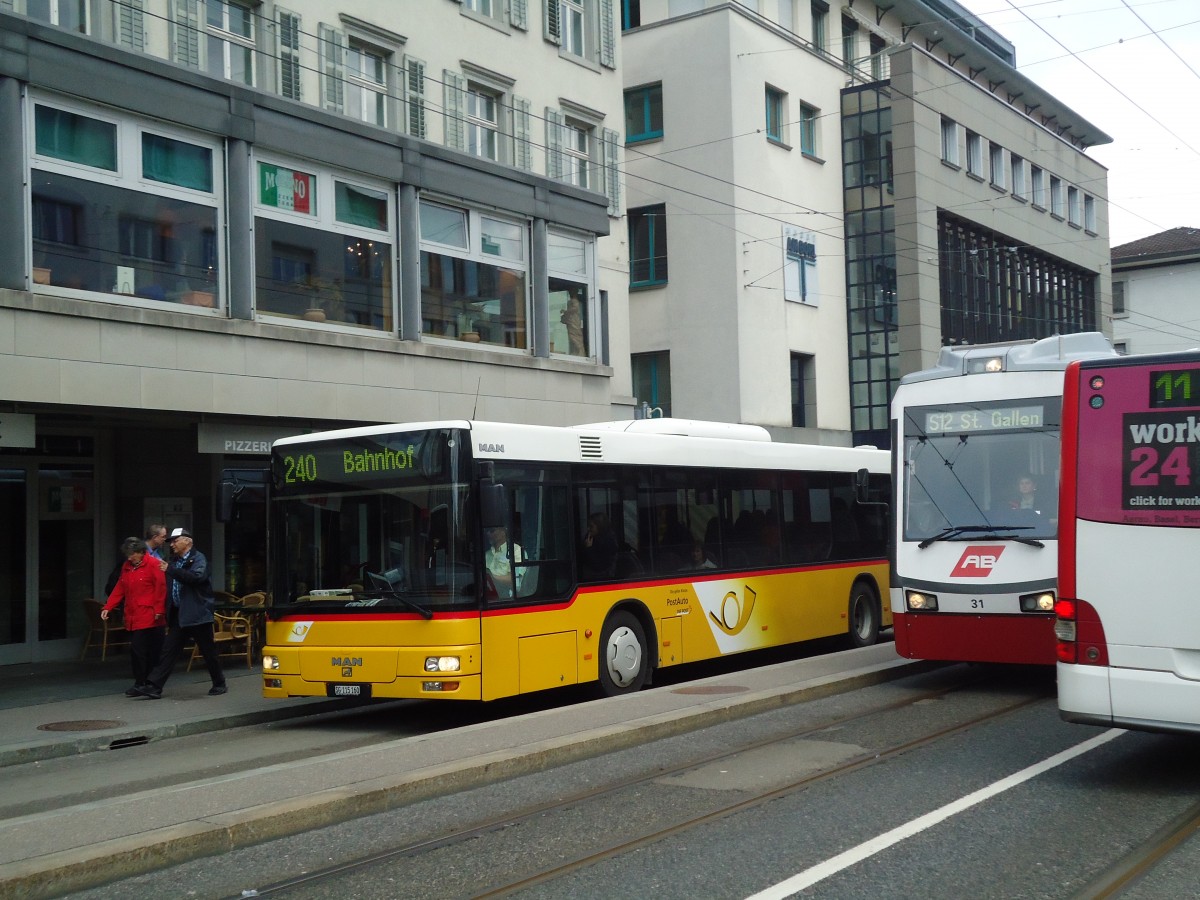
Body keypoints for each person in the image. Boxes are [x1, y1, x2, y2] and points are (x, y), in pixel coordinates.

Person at [134, 527, 226, 699]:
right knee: (168, 650)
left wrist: (170, 570)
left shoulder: (198, 559)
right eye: (171, 542)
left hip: (197, 613)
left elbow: (196, 578)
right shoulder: (175, 561)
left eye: (175, 541)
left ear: (187, 541)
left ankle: (219, 682)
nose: (172, 545)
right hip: (179, 613)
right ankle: (154, 686)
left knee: (208, 651)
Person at [102, 536, 167, 697]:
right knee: (138, 650)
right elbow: (120, 588)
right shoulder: (127, 566)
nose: (129, 558)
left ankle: (146, 682)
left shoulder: (153, 564)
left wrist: (159, 610)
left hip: (150, 615)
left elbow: (161, 588)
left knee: (146, 650)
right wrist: (108, 606)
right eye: (128, 555)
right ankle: (141, 682)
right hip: (134, 614)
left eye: (132, 554)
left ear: (140, 552)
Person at [484, 526, 523, 599]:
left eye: (492, 531)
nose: (488, 533)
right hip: (487, 595)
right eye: (487, 531)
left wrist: (491, 578)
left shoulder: (516, 551)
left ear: (503, 532)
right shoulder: (487, 554)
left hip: (506, 598)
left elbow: (514, 580)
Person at [579, 512, 617, 579]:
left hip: (601, 578)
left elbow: (599, 567)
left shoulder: (608, 542)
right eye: (588, 526)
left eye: (591, 526)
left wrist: (589, 549)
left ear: (600, 526)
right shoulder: (589, 538)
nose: (588, 529)